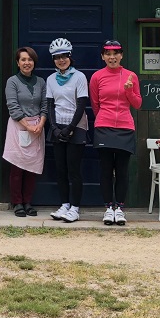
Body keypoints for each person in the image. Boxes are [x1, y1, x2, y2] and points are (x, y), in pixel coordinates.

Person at [89, 39, 142, 226]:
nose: (112, 57)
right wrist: (104, 119)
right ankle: (107, 208)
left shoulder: (130, 76)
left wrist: (128, 91)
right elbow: (95, 104)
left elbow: (137, 104)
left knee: (122, 170)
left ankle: (119, 208)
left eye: (116, 53)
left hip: (125, 127)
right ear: (103, 56)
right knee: (105, 170)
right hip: (104, 126)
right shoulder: (97, 77)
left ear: (121, 55)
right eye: (108, 54)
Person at [45, 38, 89, 223]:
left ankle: (75, 208)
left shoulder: (79, 77)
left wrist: (70, 128)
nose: (61, 60)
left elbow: (81, 105)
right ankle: (64, 204)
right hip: (58, 128)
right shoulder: (50, 79)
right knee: (61, 170)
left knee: (74, 170)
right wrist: (54, 128)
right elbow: (49, 104)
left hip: (75, 127)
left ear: (70, 57)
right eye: (57, 57)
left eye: (64, 56)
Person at [3, 46, 48, 217]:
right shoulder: (12, 82)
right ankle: (17, 203)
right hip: (18, 126)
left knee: (31, 167)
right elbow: (12, 106)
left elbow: (45, 105)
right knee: (17, 167)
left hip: (37, 126)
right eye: (23, 59)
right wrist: (27, 126)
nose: (26, 63)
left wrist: (40, 124)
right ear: (18, 62)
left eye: (29, 60)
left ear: (34, 62)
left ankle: (28, 202)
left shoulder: (41, 82)